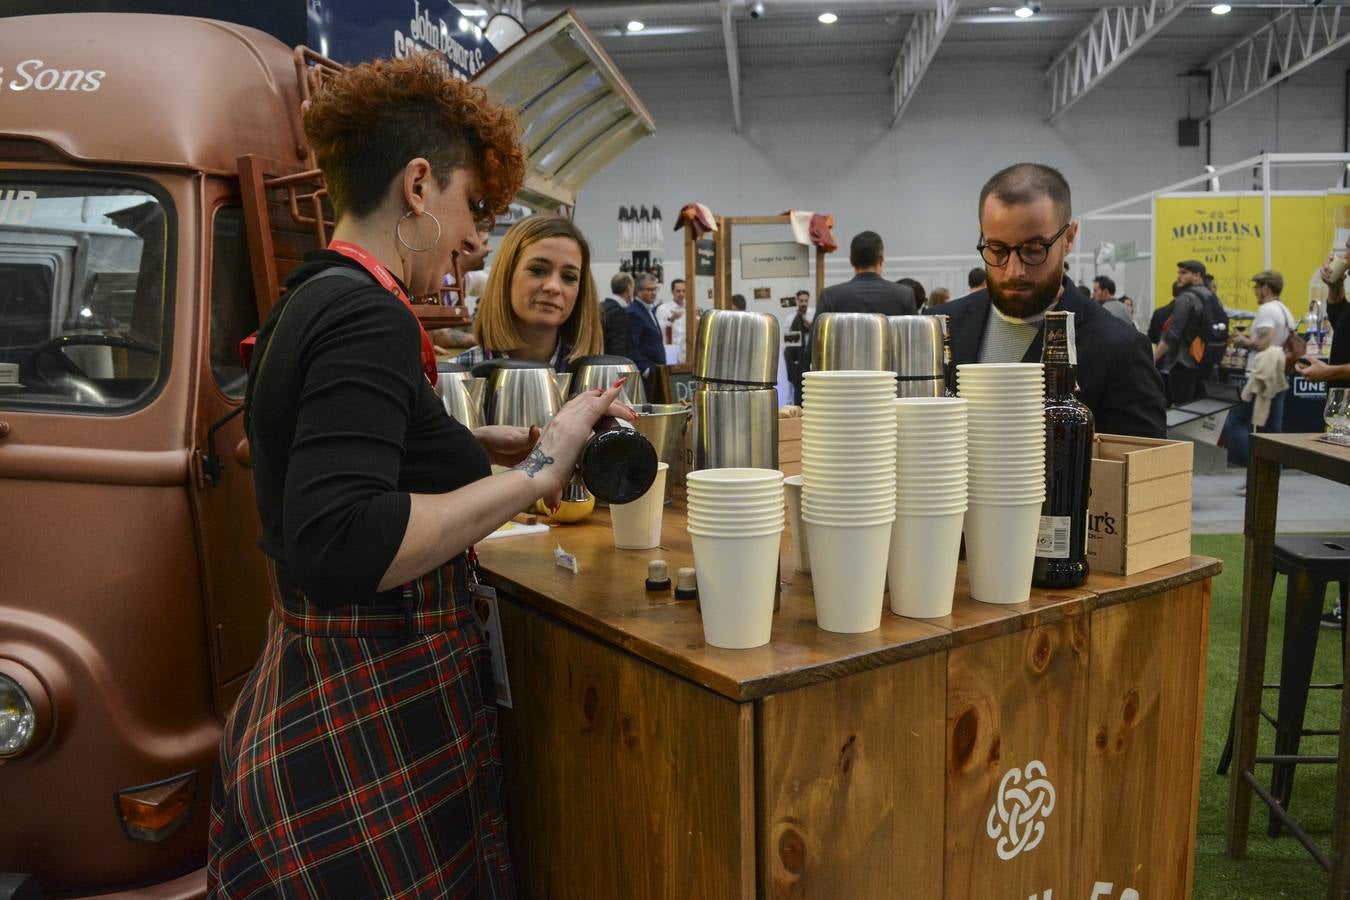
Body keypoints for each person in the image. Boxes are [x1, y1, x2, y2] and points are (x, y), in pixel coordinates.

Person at [210, 54, 635, 896]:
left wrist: (473, 444)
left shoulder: (310, 295)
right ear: (415, 186)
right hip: (366, 709)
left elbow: (294, 451)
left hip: (317, 692)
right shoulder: (367, 313)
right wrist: (546, 464)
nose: (481, 237)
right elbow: (344, 541)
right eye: (472, 205)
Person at [927, 162, 1165, 438]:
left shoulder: (1118, 349)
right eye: (997, 249)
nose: (1014, 270)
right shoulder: (938, 328)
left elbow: (1140, 472)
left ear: (1069, 238)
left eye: (1033, 249)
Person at [454, 215, 604, 373]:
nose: (553, 287)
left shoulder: (597, 380)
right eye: (538, 270)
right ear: (507, 275)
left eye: (569, 277)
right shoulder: (454, 378)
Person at [1225, 270, 1296, 465]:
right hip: (1279, 374)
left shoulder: (1267, 310)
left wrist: (1244, 341)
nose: (1255, 292)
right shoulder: (1284, 310)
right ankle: (1270, 474)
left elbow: (1265, 342)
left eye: (1256, 287)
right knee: (1272, 430)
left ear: (1265, 288)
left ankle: (1258, 467)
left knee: (1234, 424)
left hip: (1262, 374)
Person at [1154, 260, 1219, 404]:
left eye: (1184, 273)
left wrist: (1153, 358)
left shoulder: (1186, 298)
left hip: (1183, 362)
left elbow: (1172, 333)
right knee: (1199, 408)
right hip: (1206, 361)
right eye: (1179, 273)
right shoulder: (1211, 295)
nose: (1179, 276)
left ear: (1197, 275)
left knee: (1183, 409)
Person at [816, 231, 917, 317]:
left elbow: (816, 340)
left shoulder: (830, 296)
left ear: (851, 261)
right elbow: (915, 338)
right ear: (881, 260)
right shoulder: (905, 295)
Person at [432, 227, 491, 354]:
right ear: (466, 247)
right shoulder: (435, 280)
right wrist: (486, 341)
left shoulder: (471, 278)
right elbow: (437, 333)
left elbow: (499, 292)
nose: (490, 249)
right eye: (485, 243)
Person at [628, 272, 667, 394]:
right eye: (649, 290)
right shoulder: (634, 312)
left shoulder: (648, 309)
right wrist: (645, 369)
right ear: (638, 291)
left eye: (655, 289)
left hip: (657, 371)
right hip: (648, 373)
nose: (654, 293)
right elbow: (632, 345)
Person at [784, 289, 812, 405]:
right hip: (796, 360)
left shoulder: (813, 315)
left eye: (806, 301)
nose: (804, 303)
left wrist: (804, 320)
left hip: (810, 357)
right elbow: (789, 343)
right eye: (801, 301)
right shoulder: (790, 319)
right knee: (797, 387)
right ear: (797, 301)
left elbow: (814, 330)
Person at [600, 272, 634, 362]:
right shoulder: (618, 312)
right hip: (614, 367)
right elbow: (618, 348)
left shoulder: (601, 306)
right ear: (629, 289)